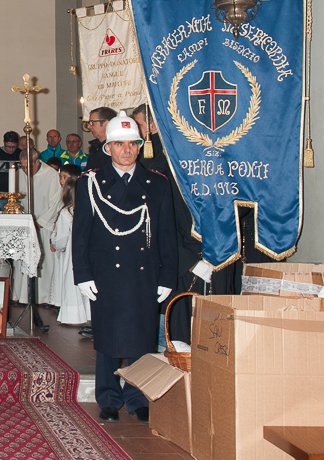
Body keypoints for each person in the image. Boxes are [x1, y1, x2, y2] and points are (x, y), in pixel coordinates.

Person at [72, 111, 177, 424]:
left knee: (142, 337)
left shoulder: (157, 183)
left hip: (144, 271)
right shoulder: (90, 182)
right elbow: (81, 233)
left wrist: (167, 276)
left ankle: (137, 397)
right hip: (105, 271)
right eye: (119, 144)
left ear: (140, 146)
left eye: (132, 144)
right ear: (108, 148)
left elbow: (167, 234)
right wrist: (82, 274)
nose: (127, 150)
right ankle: (108, 397)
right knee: (106, 337)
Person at [132, 103, 201, 344]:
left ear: (152, 126)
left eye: (139, 124)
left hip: (182, 250)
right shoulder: (150, 160)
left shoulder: (164, 163)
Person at [11, 149, 62, 306]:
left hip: (44, 226)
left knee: (45, 263)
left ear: (37, 162)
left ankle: (44, 297)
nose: (26, 170)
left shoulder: (51, 175)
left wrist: (40, 221)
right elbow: (15, 200)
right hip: (26, 225)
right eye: (23, 166)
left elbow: (56, 201)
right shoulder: (18, 174)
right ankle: (22, 296)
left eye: (28, 167)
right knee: (23, 260)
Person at [51, 164, 89, 326]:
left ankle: (73, 315)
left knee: (71, 283)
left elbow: (60, 239)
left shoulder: (66, 213)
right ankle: (88, 313)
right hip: (86, 253)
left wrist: (55, 242)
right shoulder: (87, 210)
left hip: (71, 254)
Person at [84, 107, 116, 171]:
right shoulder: (95, 147)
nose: (89, 126)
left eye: (92, 122)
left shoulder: (115, 147)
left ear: (107, 124)